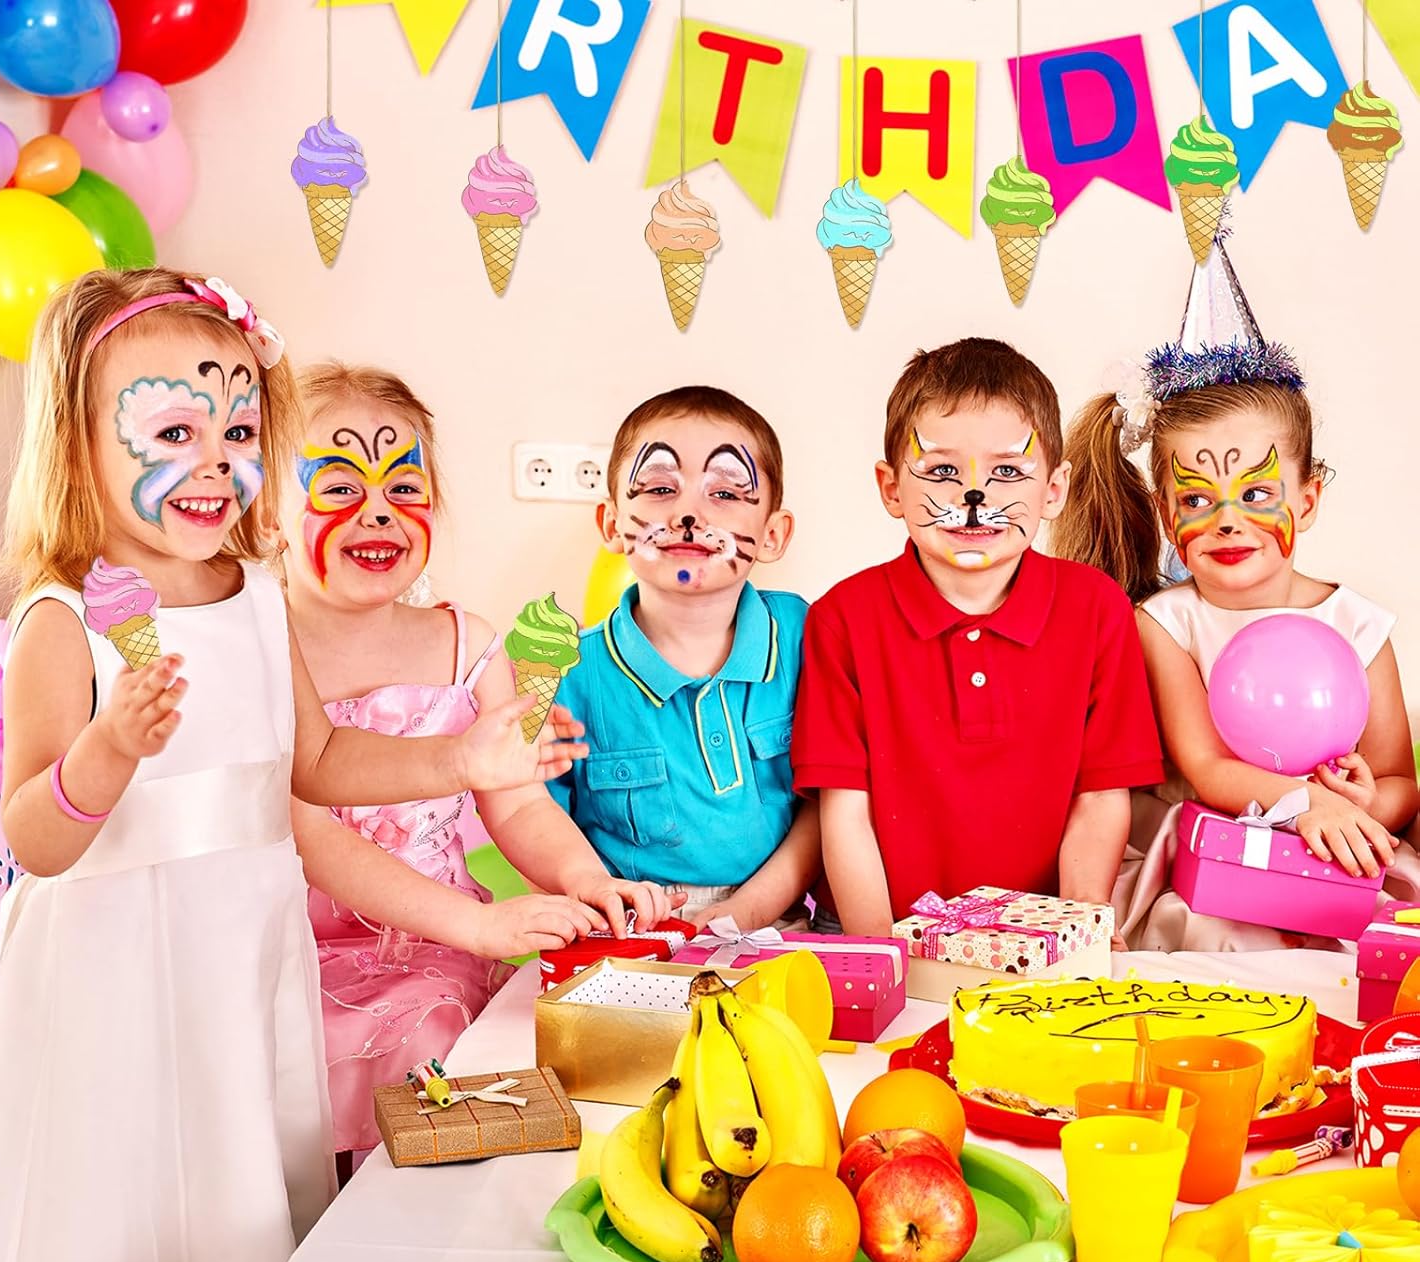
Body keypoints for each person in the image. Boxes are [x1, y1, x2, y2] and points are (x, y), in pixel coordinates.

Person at [0, 269, 581, 1262]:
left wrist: (462, 756)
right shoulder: (64, 620)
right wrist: (110, 749)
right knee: (119, 1228)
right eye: (172, 432)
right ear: (78, 442)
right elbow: (38, 838)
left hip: (243, 958)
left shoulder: (261, 595)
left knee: (231, 1220)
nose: (213, 463)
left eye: (235, 431)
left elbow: (318, 761)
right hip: (113, 976)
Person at [284, 362, 677, 1156]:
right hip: (293, 953)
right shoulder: (264, 649)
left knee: (447, 1030)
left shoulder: (467, 645)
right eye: (337, 487)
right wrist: (481, 923)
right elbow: (316, 844)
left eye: (404, 486)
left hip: (439, 951)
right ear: (267, 511)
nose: (377, 513)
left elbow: (521, 803)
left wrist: (584, 880)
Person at [1055, 241, 1418, 947]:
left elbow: (1402, 776)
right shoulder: (1167, 622)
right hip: (1215, 852)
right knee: (1219, 941)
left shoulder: (1357, 624)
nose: (1227, 520)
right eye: (1197, 498)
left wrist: (1365, 799)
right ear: (1165, 512)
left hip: (1335, 844)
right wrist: (1303, 801)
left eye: (1256, 493)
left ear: (1307, 500)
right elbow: (1206, 766)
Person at [792, 338, 1164, 935]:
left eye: (1007, 472)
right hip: (880, 932)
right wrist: (880, 954)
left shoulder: (1097, 610)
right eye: (942, 471)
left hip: (1040, 942)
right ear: (891, 488)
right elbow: (844, 812)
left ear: (1054, 489)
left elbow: (1099, 798)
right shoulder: (842, 619)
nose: (975, 498)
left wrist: (1079, 929)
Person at [549, 386, 818, 930]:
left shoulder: (803, 636)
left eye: (724, 493)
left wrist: (744, 913)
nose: (689, 513)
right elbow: (536, 827)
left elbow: (828, 806)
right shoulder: (568, 671)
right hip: (623, 928)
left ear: (772, 534)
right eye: (659, 488)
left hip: (774, 919)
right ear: (609, 524)